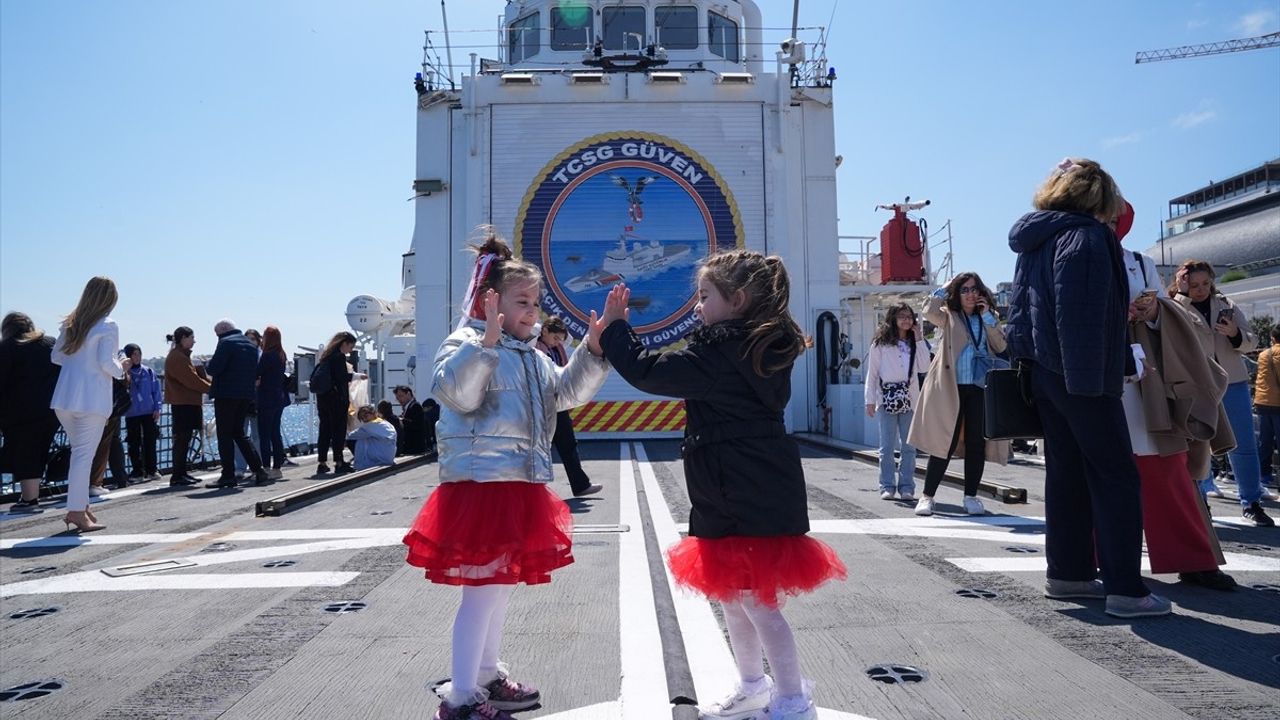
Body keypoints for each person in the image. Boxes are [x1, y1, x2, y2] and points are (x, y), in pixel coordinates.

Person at [598, 251, 847, 720]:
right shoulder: (756, 348)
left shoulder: (719, 357)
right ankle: (754, 687)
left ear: (737, 300)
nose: (697, 305)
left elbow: (648, 371)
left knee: (756, 602)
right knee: (738, 598)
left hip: (737, 486)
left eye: (705, 295)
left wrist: (615, 327)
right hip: (744, 483)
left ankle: (792, 700)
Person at [402, 229, 610, 720]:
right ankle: (458, 697)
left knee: (498, 589)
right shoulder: (465, 342)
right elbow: (455, 395)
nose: (532, 311)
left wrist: (593, 353)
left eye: (535, 302)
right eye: (522, 301)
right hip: (481, 490)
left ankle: (486, 675)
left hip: (519, 486)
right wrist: (487, 345)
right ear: (488, 300)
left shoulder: (535, 355)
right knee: (483, 592)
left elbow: (566, 395)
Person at [1006, 157, 1170, 618]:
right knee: (1116, 475)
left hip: (1043, 373)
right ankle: (1125, 589)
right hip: (1082, 376)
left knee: (1066, 473)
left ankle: (1070, 573)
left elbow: (1022, 316)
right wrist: (1099, 381)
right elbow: (1081, 318)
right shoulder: (1089, 237)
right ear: (1100, 197)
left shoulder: (1036, 240)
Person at [1119, 212, 1236, 591]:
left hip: (1142, 380)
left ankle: (1192, 559)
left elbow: (1162, 311)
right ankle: (1096, 559)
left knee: (1166, 467)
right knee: (1098, 473)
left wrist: (1151, 311)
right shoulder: (1065, 257)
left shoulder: (1139, 262)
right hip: (1090, 379)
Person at [1169, 260, 1274, 526]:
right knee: (1198, 444)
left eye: (1205, 283)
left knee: (1244, 445)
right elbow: (1171, 332)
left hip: (1233, 382)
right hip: (1194, 384)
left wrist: (1235, 333)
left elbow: (1252, 341)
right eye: (1193, 284)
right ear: (1182, 282)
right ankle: (1200, 499)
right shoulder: (1174, 305)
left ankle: (1251, 502)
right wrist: (1182, 296)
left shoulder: (1226, 303)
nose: (1200, 289)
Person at [907, 272, 1009, 516]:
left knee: (976, 443)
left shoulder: (989, 317)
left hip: (978, 387)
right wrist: (945, 287)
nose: (970, 294)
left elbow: (1001, 346)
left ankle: (971, 496)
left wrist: (987, 317)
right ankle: (927, 496)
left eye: (974, 289)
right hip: (950, 386)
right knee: (944, 442)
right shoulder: (950, 316)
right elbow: (928, 312)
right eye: (964, 289)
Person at [49, 276, 128, 533]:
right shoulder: (108, 324)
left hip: (64, 399)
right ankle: (75, 511)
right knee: (84, 455)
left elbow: (56, 356)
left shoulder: (71, 324)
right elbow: (107, 363)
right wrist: (122, 367)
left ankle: (80, 506)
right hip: (91, 400)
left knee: (80, 454)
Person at [864, 303, 930, 501]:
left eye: (909, 316)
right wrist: (870, 400)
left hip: (910, 399)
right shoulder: (880, 343)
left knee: (909, 446)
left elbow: (924, 366)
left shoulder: (915, 342)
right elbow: (872, 373)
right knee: (886, 447)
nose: (906, 320)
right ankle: (887, 485)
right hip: (886, 399)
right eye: (901, 316)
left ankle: (907, 486)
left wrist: (919, 339)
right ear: (893, 318)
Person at [0, 312, 62, 512]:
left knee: (24, 453)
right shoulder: (49, 344)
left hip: (19, 412)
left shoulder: (8, 347)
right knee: (38, 452)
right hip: (51, 410)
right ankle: (30, 497)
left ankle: (29, 499)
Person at [536, 315, 603, 497]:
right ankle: (537, 491)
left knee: (568, 444)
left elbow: (570, 340)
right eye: (555, 337)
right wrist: (539, 331)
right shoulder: (533, 348)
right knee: (539, 449)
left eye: (560, 339)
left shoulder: (557, 348)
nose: (558, 342)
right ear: (544, 331)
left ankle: (580, 485)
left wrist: (558, 328)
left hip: (558, 404)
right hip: (539, 408)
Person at [206, 319, 269, 489]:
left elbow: (213, 369)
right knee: (239, 433)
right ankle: (259, 470)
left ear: (223, 330)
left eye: (217, 334)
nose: (217, 337)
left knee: (225, 435)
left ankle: (227, 475)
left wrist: (205, 364)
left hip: (226, 395)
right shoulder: (250, 346)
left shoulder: (226, 343)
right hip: (245, 395)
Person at [164, 326, 210, 486]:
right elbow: (191, 380)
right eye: (191, 337)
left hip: (186, 401)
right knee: (182, 438)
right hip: (183, 402)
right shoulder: (178, 358)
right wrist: (212, 387)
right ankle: (178, 475)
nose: (194, 341)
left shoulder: (180, 356)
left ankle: (182, 472)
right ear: (183, 338)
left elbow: (192, 378)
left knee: (185, 438)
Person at [313, 331, 357, 474]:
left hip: (323, 398)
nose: (350, 350)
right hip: (336, 399)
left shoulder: (325, 356)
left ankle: (322, 462)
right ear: (344, 343)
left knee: (324, 430)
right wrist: (355, 376)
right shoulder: (339, 357)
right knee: (338, 430)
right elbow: (341, 378)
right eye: (350, 346)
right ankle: (339, 461)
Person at [121, 343, 162, 482]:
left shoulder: (148, 371)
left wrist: (157, 408)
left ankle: (152, 470)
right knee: (133, 443)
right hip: (132, 412)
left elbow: (156, 391)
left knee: (150, 441)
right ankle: (137, 471)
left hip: (148, 411)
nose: (137, 357)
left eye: (139, 354)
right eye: (133, 354)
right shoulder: (124, 373)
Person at [256, 326, 290, 480]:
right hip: (279, 397)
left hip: (266, 397)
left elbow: (257, 372)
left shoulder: (267, 355)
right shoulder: (281, 354)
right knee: (275, 433)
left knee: (264, 434)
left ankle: (266, 467)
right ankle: (277, 467)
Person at [1257, 327, 1280, 495]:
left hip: (1262, 402)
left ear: (1273, 338)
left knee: (1265, 441)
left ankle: (1263, 474)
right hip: (1278, 404)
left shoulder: (1263, 355)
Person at [346, 405, 397, 469]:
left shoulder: (370, 426)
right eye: (362, 418)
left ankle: (360, 460)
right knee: (364, 436)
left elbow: (351, 436)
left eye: (366, 416)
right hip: (389, 457)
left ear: (373, 414)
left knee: (356, 440)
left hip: (379, 458)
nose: (364, 419)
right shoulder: (386, 423)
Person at [393, 384, 428, 455]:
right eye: (397, 398)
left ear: (408, 394)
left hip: (415, 448)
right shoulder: (407, 407)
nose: (399, 400)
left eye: (401, 396)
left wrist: (401, 420)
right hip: (410, 448)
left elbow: (417, 425)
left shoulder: (415, 406)